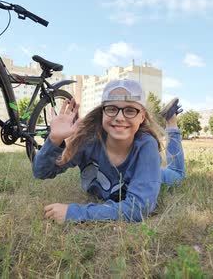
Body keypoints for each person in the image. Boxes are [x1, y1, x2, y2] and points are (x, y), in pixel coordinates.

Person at [32, 79, 185, 223]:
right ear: (102, 113)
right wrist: (54, 140)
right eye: (112, 109)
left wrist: (74, 213)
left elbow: (139, 207)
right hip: (139, 172)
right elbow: (41, 172)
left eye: (130, 110)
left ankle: (171, 122)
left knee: (177, 175)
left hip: (149, 172)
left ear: (142, 117)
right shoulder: (87, 140)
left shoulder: (146, 145)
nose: (119, 117)